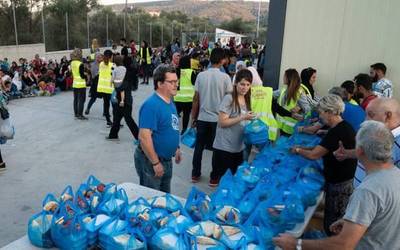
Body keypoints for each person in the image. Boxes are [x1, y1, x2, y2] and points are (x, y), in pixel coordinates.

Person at [274, 120, 400, 250]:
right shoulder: (395, 174)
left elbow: (343, 245)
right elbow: (385, 215)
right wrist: (353, 221)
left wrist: (296, 244)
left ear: (360, 151)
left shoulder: (368, 190)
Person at [291, 95, 357, 235]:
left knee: (333, 224)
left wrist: (298, 150)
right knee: (331, 218)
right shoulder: (341, 127)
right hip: (339, 181)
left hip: (340, 184)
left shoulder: (337, 131)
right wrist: (303, 147)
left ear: (330, 111)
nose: (320, 116)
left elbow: (314, 155)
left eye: (321, 112)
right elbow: (324, 147)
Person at [134, 64, 182, 193]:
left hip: (166, 160)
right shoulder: (151, 106)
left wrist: (176, 147)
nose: (176, 84)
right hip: (151, 162)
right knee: (152, 199)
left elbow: (171, 126)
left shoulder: (170, 102)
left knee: (165, 198)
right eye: (171, 82)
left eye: (176, 81)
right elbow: (144, 137)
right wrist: (155, 163)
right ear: (160, 84)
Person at [334, 98, 400, 188]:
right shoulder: (377, 135)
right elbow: (370, 153)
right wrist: (347, 153)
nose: (365, 120)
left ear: (388, 116)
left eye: (370, 115)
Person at [190, 48, 233, 184]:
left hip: (202, 117)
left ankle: (195, 174)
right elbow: (230, 100)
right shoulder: (225, 78)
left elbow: (196, 99)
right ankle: (214, 178)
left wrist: (193, 117)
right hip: (218, 119)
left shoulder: (201, 76)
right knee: (217, 149)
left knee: (199, 147)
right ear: (222, 60)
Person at [210, 69, 255, 186]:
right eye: (242, 84)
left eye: (248, 85)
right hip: (224, 147)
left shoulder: (247, 99)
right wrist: (242, 117)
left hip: (238, 147)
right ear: (235, 83)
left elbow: (243, 121)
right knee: (224, 183)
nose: (245, 87)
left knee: (233, 182)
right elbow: (222, 122)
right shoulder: (229, 98)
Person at [106, 55, 139, 141]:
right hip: (122, 99)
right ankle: (113, 135)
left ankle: (139, 136)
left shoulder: (126, 75)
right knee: (117, 117)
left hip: (125, 100)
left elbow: (120, 87)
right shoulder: (127, 72)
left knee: (128, 119)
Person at [276, 69, 311, 136]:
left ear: (288, 78)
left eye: (284, 76)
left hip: (293, 128)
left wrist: (300, 108)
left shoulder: (299, 92)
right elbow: (271, 94)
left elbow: (308, 109)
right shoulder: (284, 89)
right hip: (283, 126)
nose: (283, 78)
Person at [174, 55, 197, 134]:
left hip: (177, 98)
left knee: (174, 114)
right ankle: (183, 130)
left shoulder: (177, 70)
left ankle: (172, 128)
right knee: (186, 115)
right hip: (188, 99)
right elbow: (195, 83)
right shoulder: (191, 72)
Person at [97, 50, 114, 126]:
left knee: (106, 104)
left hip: (102, 88)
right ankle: (116, 121)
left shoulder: (100, 64)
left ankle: (108, 120)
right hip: (110, 88)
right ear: (111, 57)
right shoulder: (113, 65)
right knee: (114, 106)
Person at [70, 49, 87, 120]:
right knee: (81, 100)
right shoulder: (80, 64)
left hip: (75, 83)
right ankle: (80, 114)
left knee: (76, 99)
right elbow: (82, 75)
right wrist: (86, 75)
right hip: (81, 84)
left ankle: (76, 114)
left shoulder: (72, 63)